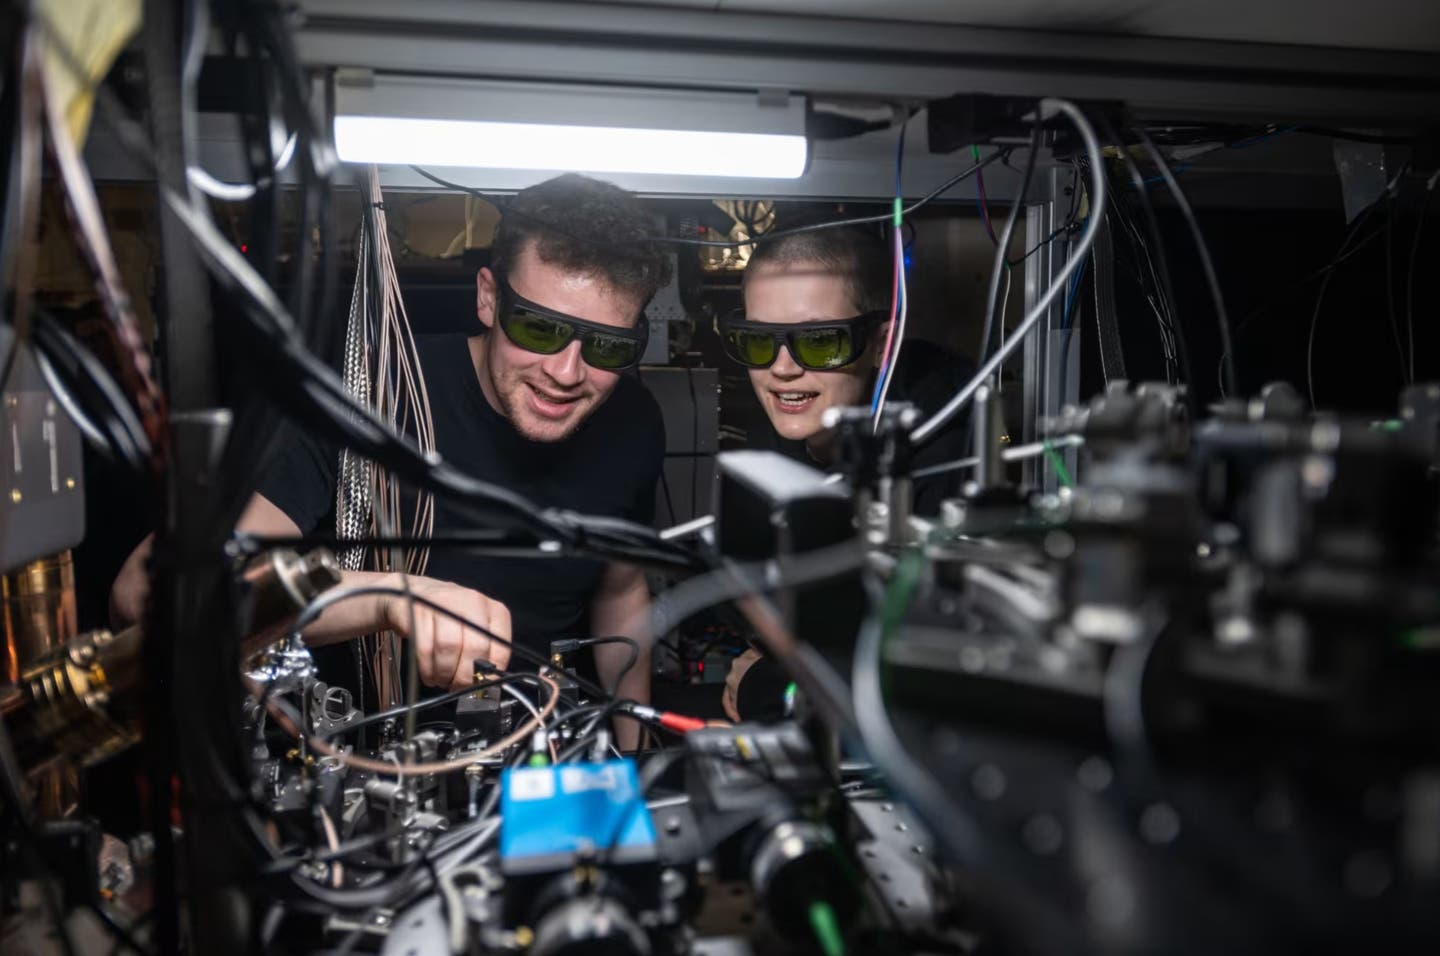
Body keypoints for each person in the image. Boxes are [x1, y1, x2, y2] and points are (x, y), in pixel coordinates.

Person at [110, 173, 669, 749]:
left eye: (607, 346)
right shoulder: (361, 397)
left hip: (539, 769)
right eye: (540, 328)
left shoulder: (631, 421)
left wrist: (633, 757)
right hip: (365, 778)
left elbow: (619, 591)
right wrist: (391, 597)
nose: (567, 372)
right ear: (488, 296)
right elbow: (147, 592)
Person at [716, 224, 975, 721]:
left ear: (882, 342)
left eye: (819, 342)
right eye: (757, 341)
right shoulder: (785, 420)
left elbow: (926, 678)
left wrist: (770, 685)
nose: (782, 368)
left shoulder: (943, 436)